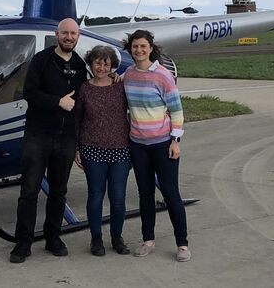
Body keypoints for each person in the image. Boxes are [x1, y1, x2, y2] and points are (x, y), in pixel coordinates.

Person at [9, 18, 88, 264]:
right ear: (57, 34)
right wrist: (57, 102)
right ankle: (23, 241)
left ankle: (54, 236)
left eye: (73, 33)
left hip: (65, 139)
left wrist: (77, 142)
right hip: (38, 135)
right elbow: (30, 92)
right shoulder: (41, 60)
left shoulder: (79, 65)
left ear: (78, 36)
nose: (69, 37)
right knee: (29, 190)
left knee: (59, 191)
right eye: (65, 33)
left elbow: (83, 101)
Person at [122, 29, 191, 262]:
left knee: (171, 194)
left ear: (151, 48)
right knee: (145, 194)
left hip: (163, 144)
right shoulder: (129, 75)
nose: (139, 50)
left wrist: (175, 140)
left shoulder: (162, 75)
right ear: (130, 49)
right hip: (138, 144)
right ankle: (148, 239)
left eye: (143, 46)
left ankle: (182, 244)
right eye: (135, 46)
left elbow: (176, 110)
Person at [74, 45, 131, 257]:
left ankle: (117, 237)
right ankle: (96, 238)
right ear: (91, 63)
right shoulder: (84, 89)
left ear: (112, 66)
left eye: (106, 63)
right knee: (95, 195)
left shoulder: (120, 86)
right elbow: (77, 120)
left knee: (117, 197)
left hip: (120, 150)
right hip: (92, 149)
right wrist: (76, 148)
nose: (102, 67)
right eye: (98, 62)